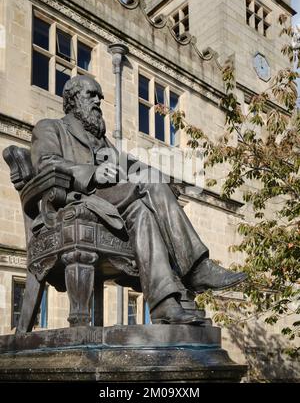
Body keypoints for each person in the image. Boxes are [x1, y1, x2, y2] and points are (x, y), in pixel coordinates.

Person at [31, 75, 246, 325]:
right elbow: (46, 164)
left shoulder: (102, 141)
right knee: (149, 185)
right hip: (75, 201)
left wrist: (163, 178)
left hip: (112, 204)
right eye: (91, 95)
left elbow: (129, 164)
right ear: (72, 98)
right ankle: (197, 268)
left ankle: (164, 303)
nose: (98, 101)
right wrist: (91, 173)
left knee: (144, 210)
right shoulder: (50, 127)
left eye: (100, 96)